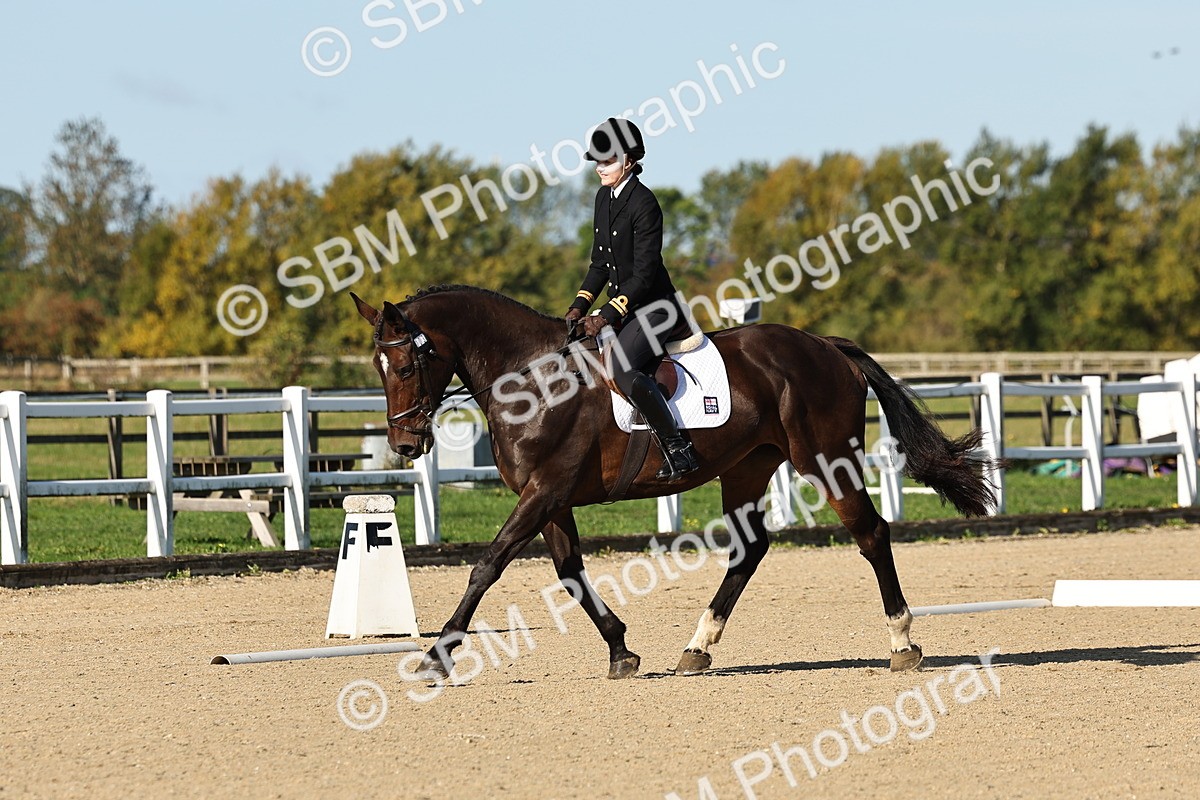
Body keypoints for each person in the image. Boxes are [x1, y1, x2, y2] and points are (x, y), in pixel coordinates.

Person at [564, 117, 699, 480]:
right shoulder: (603, 198)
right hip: (626, 312)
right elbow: (599, 264)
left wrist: (605, 315)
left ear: (628, 160)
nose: (599, 169)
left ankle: (677, 449)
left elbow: (643, 274)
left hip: (657, 309)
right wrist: (580, 304)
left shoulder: (645, 203)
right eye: (596, 161)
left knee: (621, 368)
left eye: (606, 161)